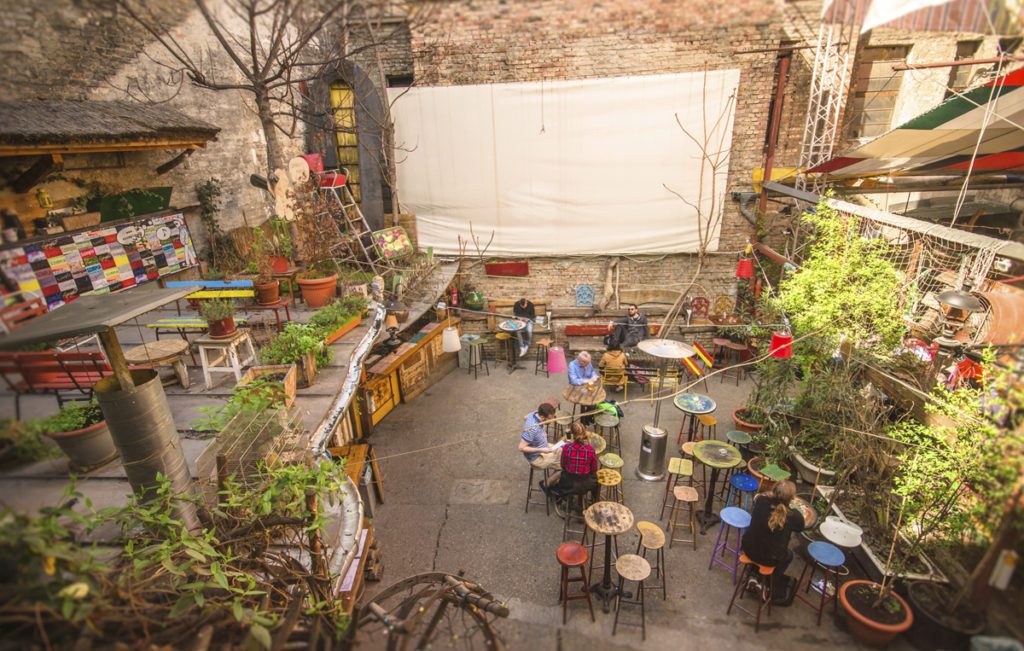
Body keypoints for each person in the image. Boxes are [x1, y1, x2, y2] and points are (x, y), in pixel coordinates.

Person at [740, 480, 805, 602]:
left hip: (748, 548)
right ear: (791, 498)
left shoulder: (761, 501)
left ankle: (753, 576)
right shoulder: (792, 516)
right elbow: (800, 526)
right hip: (769, 558)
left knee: (761, 541)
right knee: (788, 555)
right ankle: (766, 584)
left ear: (773, 491)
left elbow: (761, 497)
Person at [517, 402, 561, 487]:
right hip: (537, 457)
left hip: (543, 446)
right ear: (542, 417)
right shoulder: (532, 429)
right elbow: (521, 447)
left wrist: (541, 432)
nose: (551, 421)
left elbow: (525, 417)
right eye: (549, 419)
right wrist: (541, 450)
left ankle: (555, 480)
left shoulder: (534, 413)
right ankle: (546, 484)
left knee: (562, 450)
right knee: (566, 466)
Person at [551, 422, 598, 500]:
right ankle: (594, 500)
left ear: (572, 434)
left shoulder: (567, 448)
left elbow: (563, 465)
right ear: (584, 433)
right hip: (586, 483)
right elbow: (594, 469)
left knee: (563, 474)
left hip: (568, 483)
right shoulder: (590, 450)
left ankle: (560, 497)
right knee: (596, 477)